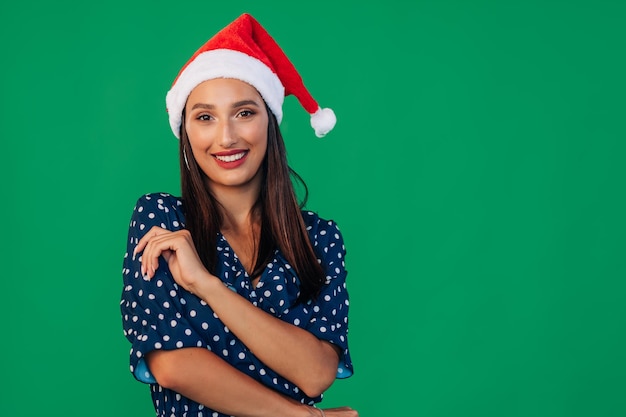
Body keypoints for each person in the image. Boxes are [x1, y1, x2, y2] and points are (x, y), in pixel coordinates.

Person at [120, 13, 358, 417]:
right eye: (205, 117)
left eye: (244, 113)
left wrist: (207, 286)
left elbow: (317, 373)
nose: (226, 137)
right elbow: (173, 365)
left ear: (270, 122)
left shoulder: (318, 238)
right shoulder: (162, 220)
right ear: (186, 131)